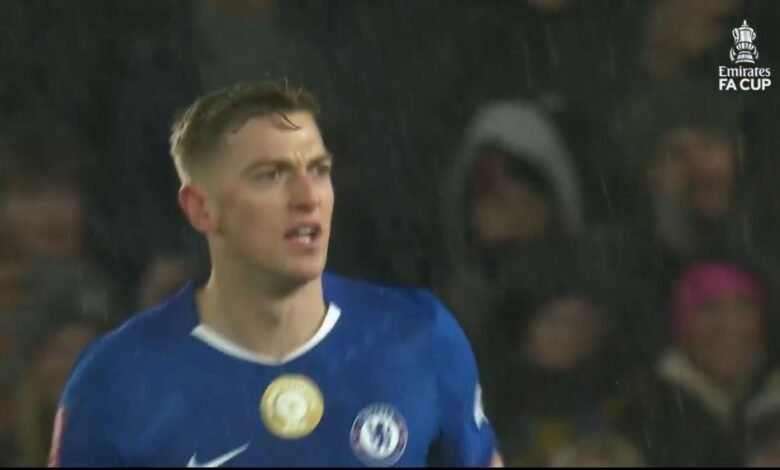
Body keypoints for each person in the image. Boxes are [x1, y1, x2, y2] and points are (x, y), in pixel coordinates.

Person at [49, 81, 502, 467]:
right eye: (270, 175)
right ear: (200, 208)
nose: (308, 197)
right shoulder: (116, 379)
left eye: (319, 170)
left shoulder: (418, 336)